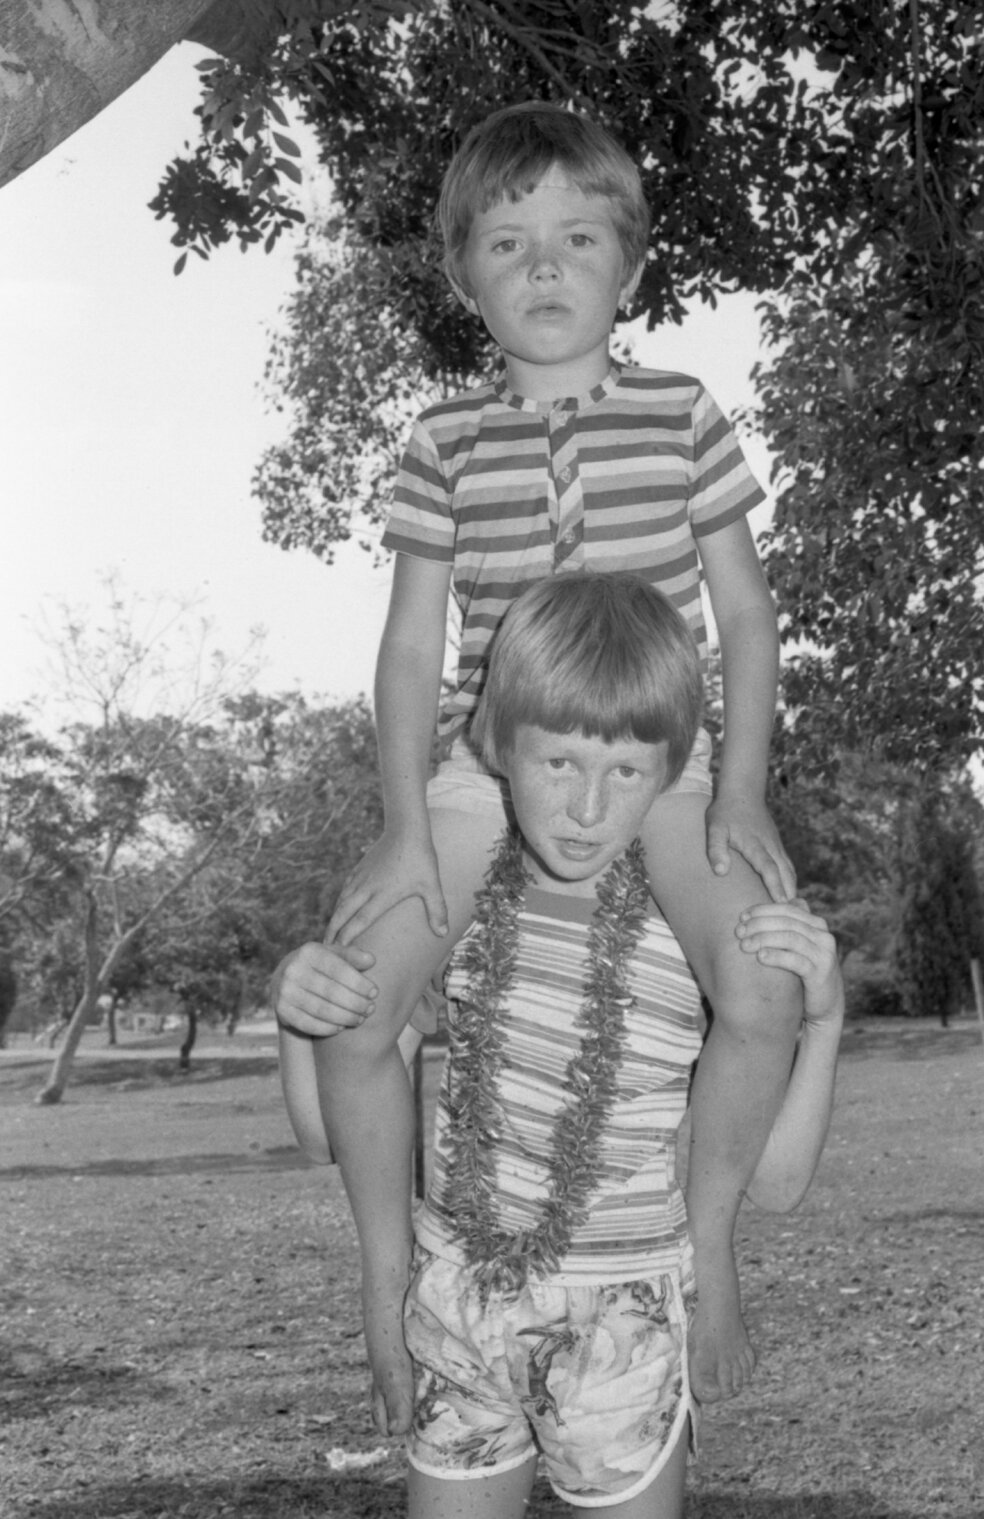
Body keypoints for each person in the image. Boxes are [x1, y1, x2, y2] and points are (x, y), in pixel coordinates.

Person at [278, 101, 802, 1418]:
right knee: (354, 1003)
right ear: (464, 276)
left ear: (630, 266)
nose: (547, 267)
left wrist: (736, 789)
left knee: (763, 985)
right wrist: (407, 825)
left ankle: (709, 1238)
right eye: (509, 244)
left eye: (578, 237)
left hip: (660, 764)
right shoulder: (444, 440)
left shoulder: (682, 414)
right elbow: (409, 649)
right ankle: (389, 1274)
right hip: (483, 768)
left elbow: (742, 613)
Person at [278, 573, 844, 1519]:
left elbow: (777, 1183)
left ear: (672, 771)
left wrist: (823, 1022)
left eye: (626, 771)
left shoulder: (689, 932)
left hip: (623, 1327)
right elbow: (320, 1132)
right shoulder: (452, 914)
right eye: (558, 764)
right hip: (460, 1313)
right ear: (498, 747)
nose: (587, 809)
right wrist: (303, 1013)